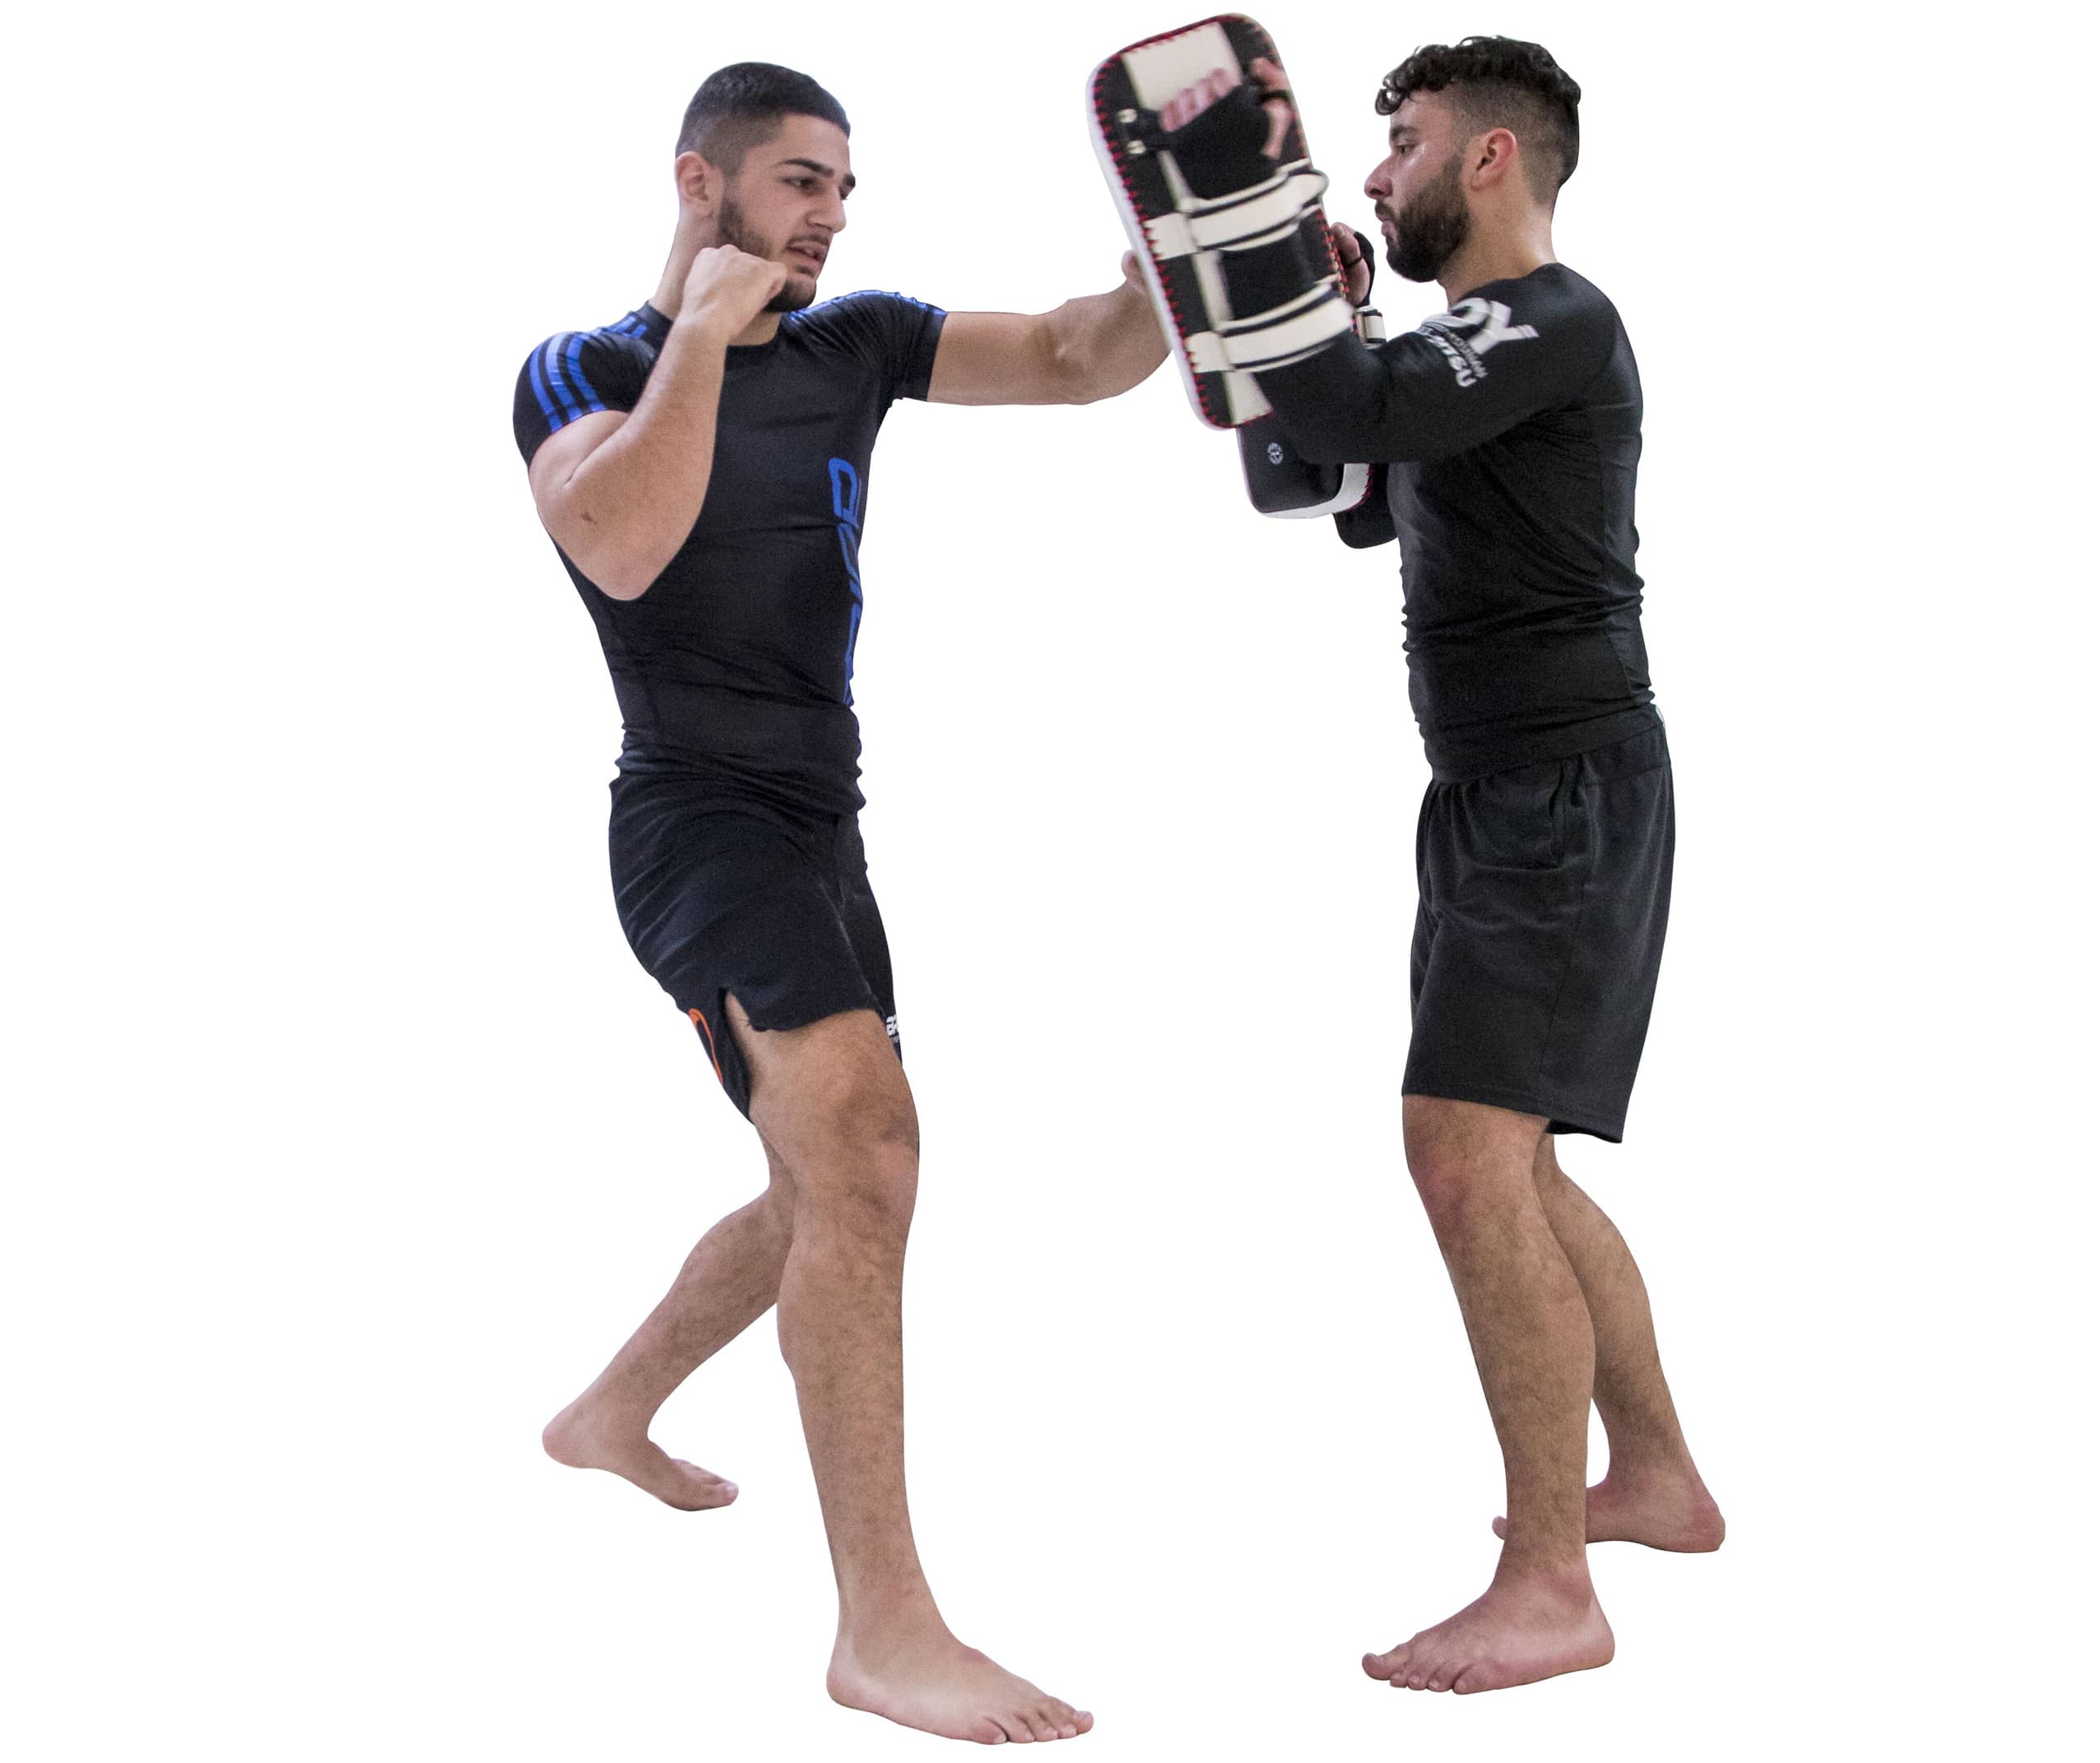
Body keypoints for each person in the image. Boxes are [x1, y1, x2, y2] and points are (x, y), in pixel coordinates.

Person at [513, 61, 1164, 1745]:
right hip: (692, 820)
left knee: (829, 1176)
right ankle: (885, 1628)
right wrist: (702, 342)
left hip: (824, 819)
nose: (833, 218)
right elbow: (623, 545)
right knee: (866, 1154)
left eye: (845, 190)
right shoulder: (581, 370)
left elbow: (1081, 357)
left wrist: (1181, 272)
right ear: (701, 183)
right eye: (803, 182)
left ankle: (612, 1410)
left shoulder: (857, 344)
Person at [1151, 36, 1725, 1694]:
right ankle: (1658, 1478)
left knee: (1466, 1162)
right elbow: (1319, 481)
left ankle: (1551, 1585)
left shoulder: (1556, 321)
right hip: (1498, 795)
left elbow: (1354, 405)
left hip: (1561, 788)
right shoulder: (1459, 352)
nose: (1374, 173)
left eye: (1399, 143)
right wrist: (1320, 323)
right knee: (1508, 1163)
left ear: (1490, 159)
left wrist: (1270, 274)